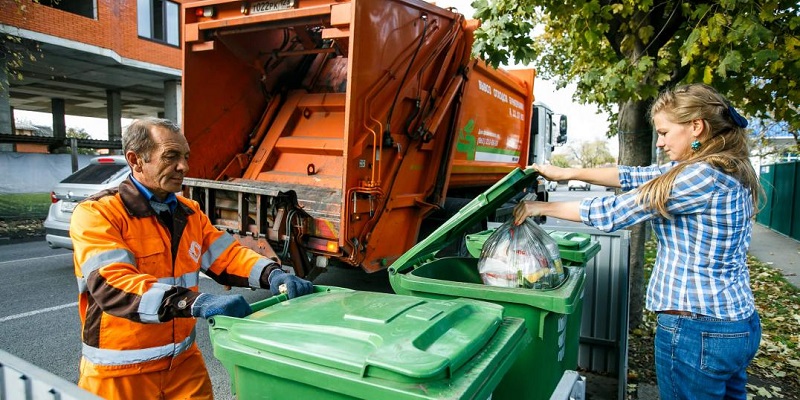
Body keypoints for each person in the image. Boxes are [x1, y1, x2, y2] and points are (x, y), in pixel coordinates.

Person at [514, 83, 762, 399]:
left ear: (696, 127)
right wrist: (566, 173)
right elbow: (633, 175)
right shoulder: (725, 167)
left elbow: (619, 210)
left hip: (697, 329)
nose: (659, 142)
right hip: (736, 325)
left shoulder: (702, 176)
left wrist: (543, 207)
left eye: (664, 132)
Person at [70, 117, 314, 399]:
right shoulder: (98, 213)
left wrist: (273, 273)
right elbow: (111, 284)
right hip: (119, 376)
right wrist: (195, 301)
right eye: (171, 156)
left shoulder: (189, 212)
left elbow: (228, 256)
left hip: (183, 367)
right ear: (136, 160)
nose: (184, 166)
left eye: (185, 156)